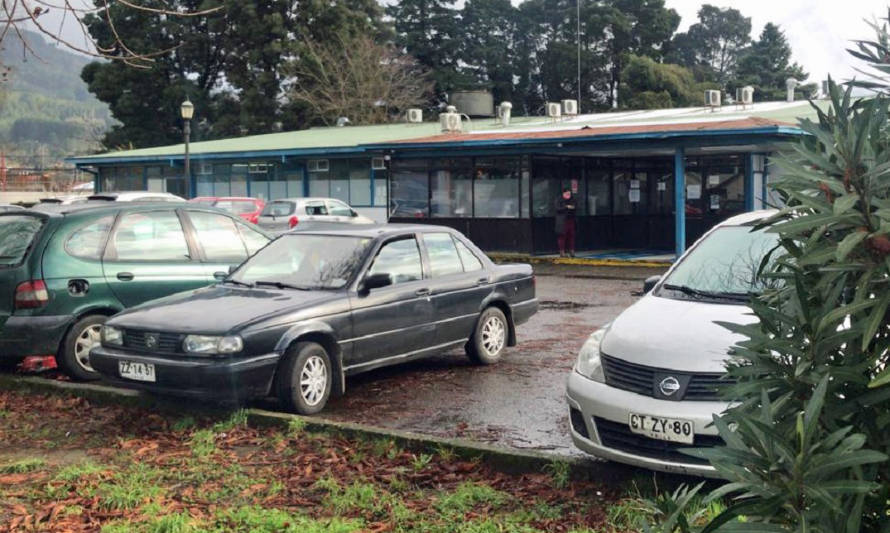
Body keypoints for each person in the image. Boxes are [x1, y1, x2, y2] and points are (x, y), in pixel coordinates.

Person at [555, 188, 577, 257]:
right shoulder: (559, 200)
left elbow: (576, 206)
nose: (568, 195)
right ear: (563, 193)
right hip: (562, 221)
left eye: (569, 194)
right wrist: (566, 207)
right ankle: (562, 252)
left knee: (571, 236)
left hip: (571, 220)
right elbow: (558, 209)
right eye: (567, 194)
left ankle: (571, 251)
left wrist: (573, 207)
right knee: (562, 236)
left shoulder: (572, 199)